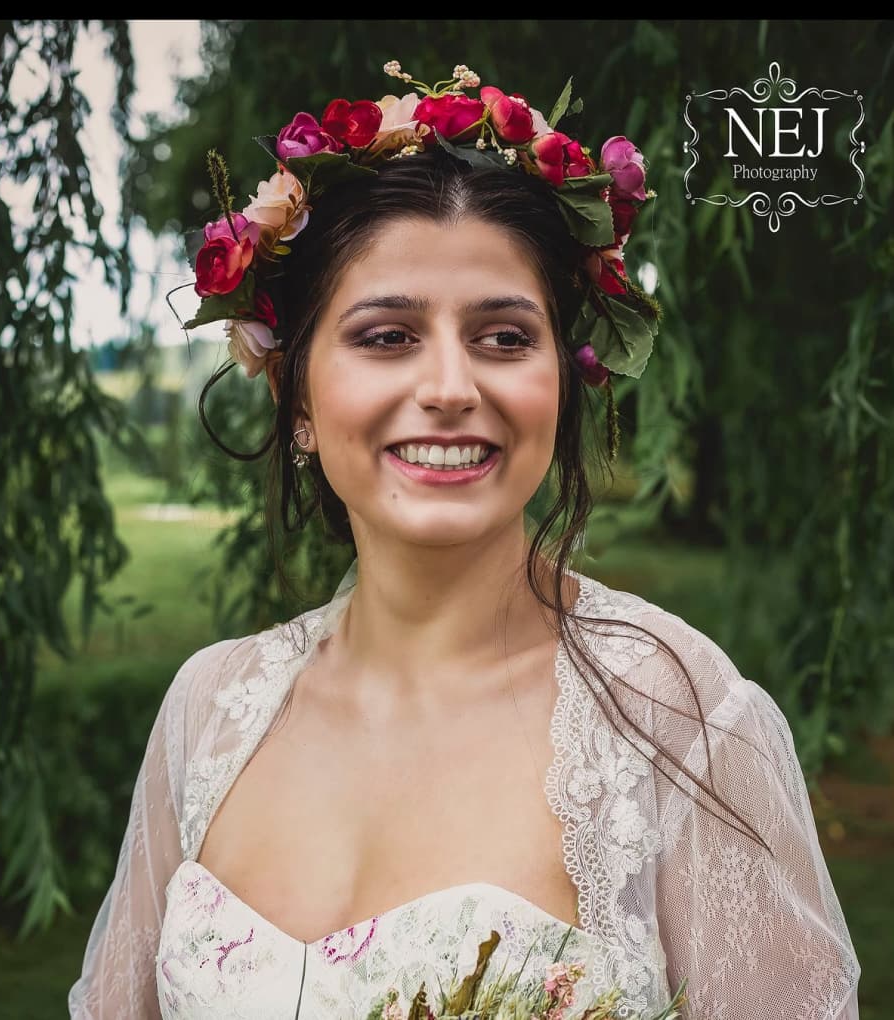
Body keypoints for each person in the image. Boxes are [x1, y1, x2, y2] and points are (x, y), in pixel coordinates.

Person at [69, 61, 860, 1019]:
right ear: (296, 396)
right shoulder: (208, 713)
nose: (450, 385)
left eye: (502, 337)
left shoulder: (686, 723)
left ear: (563, 383)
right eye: (388, 336)